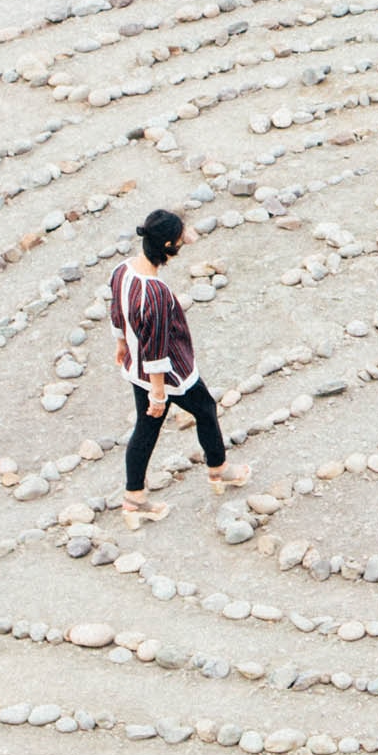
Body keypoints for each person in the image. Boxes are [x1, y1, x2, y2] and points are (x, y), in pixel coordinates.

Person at [107, 210, 246, 527]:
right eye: (180, 240)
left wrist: (120, 344)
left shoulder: (122, 270)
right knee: (206, 409)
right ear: (168, 244)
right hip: (169, 374)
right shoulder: (154, 293)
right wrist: (159, 393)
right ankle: (218, 469)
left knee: (146, 430)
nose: (183, 242)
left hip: (136, 367)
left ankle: (134, 498)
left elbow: (116, 310)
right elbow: (156, 345)